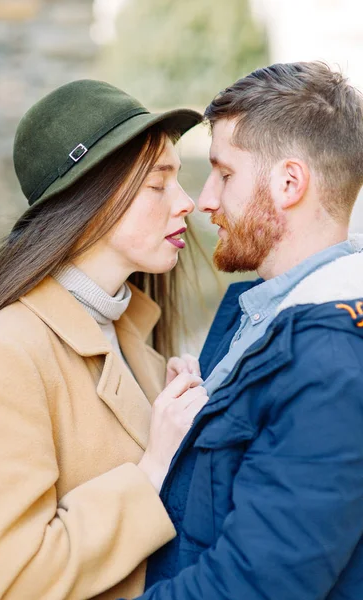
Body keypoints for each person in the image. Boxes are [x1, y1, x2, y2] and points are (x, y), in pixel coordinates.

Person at [0, 79, 209, 600]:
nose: (187, 203)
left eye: (179, 180)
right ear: (94, 198)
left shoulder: (136, 336)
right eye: (158, 185)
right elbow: (3, 582)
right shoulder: (2, 356)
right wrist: (154, 465)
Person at [129, 62, 363, 600]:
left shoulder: (332, 362)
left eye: (225, 174)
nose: (204, 200)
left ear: (289, 183)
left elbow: (252, 586)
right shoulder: (258, 316)